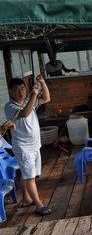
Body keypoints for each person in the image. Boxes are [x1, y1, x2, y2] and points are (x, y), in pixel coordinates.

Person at [4, 75, 51, 215]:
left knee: (29, 174)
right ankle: (39, 205)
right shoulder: (10, 106)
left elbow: (47, 98)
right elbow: (25, 113)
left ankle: (26, 199)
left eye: (23, 88)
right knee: (30, 177)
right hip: (23, 148)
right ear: (11, 92)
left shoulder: (26, 100)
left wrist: (42, 83)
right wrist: (34, 95)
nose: (21, 92)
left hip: (35, 145)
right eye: (17, 90)